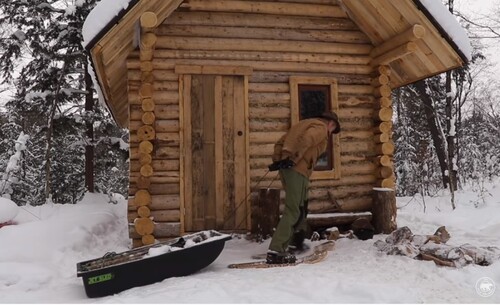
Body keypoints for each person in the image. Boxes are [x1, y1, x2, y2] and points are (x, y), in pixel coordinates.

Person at [266, 111, 341, 264]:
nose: (331, 133)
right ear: (331, 124)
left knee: (301, 207)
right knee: (294, 209)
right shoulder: (320, 128)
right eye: (333, 130)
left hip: (291, 169)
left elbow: (281, 142)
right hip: (297, 170)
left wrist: (278, 160)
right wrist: (293, 159)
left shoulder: (302, 125)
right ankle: (276, 250)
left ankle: (295, 241)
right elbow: (307, 140)